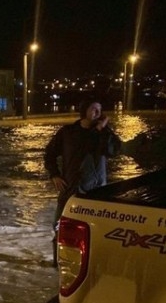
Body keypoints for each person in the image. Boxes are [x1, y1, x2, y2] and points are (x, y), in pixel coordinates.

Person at [43, 98, 121, 267]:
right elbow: (49, 154)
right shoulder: (68, 132)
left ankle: (90, 263)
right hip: (70, 187)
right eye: (94, 109)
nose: (97, 113)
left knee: (95, 229)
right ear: (84, 110)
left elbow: (114, 150)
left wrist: (104, 129)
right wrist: (54, 175)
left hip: (96, 190)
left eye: (100, 110)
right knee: (59, 225)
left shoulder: (104, 133)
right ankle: (58, 264)